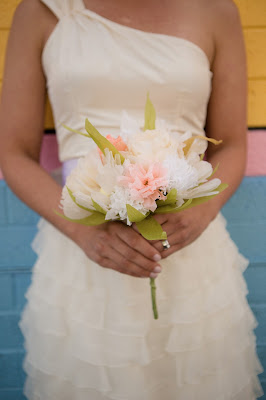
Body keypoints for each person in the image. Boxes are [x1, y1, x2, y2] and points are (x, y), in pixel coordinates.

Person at [0, 0, 264, 398]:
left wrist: (200, 214)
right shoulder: (41, 11)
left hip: (189, 251)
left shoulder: (216, 10)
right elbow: (13, 153)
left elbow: (231, 145)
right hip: (82, 251)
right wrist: (86, 234)